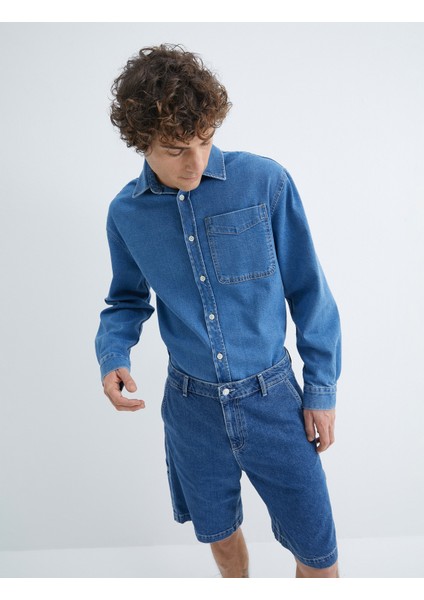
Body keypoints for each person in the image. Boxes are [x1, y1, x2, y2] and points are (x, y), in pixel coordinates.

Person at [94, 43, 342, 578]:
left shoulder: (265, 182)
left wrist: (321, 389)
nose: (196, 162)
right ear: (141, 141)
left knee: (318, 557)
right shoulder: (126, 214)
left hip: (273, 399)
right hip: (192, 409)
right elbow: (126, 299)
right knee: (222, 541)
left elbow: (310, 291)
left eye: (205, 141)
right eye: (176, 149)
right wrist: (113, 355)